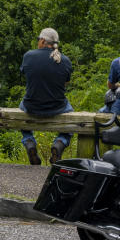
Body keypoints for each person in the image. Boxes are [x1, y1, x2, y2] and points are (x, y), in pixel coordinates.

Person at [19, 27, 74, 165]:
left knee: (21, 106)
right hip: (57, 106)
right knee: (72, 115)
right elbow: (66, 82)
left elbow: (25, 74)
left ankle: (29, 141)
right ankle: (60, 141)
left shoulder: (28, 56)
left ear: (42, 40)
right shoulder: (65, 60)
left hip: (32, 106)